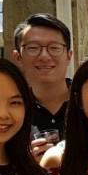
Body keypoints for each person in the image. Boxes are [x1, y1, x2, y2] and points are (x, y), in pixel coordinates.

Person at [11, 13, 73, 160]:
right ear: (18, 57)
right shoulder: (11, 109)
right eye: (33, 48)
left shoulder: (87, 102)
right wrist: (25, 162)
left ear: (69, 56)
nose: (44, 56)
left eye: (54, 48)